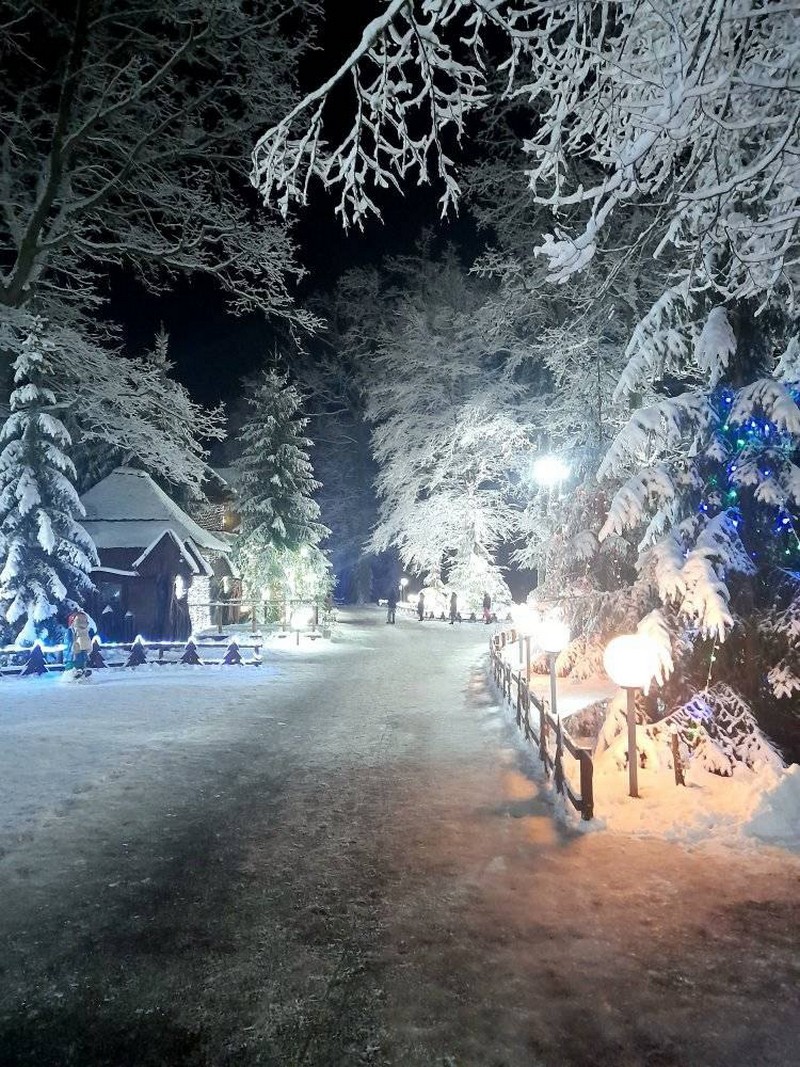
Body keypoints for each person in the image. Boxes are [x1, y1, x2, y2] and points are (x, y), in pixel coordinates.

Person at [65, 609, 93, 678]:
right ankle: (83, 670)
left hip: (75, 647)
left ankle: (75, 672)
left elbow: (69, 639)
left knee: (73, 660)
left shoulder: (72, 629)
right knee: (82, 658)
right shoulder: (86, 627)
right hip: (85, 645)